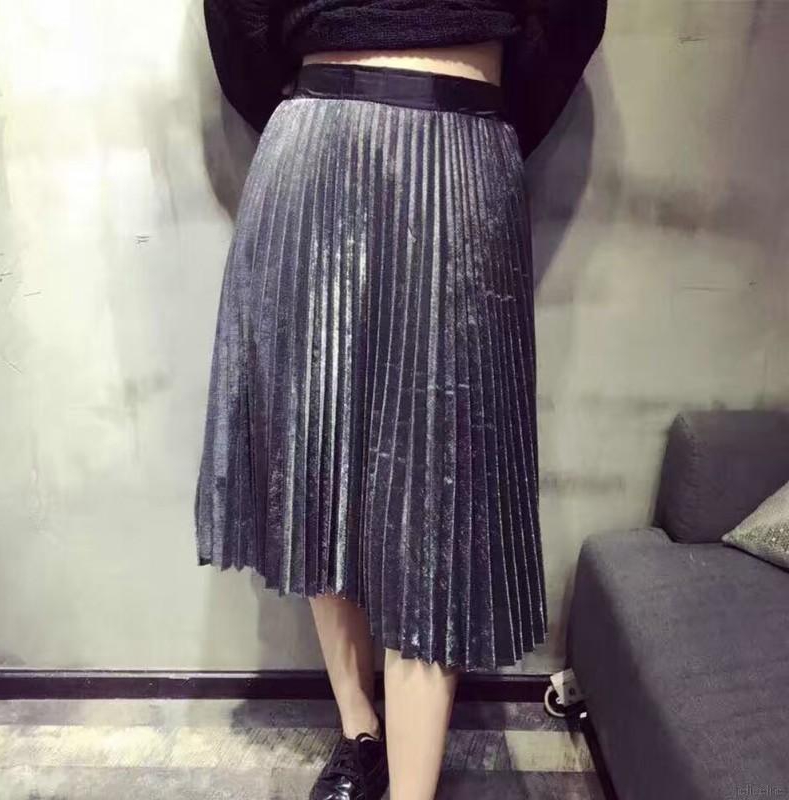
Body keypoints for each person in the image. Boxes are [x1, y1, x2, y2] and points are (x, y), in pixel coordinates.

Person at [194, 2, 607, 799]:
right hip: (314, 144)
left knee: (438, 489)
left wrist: (476, 113)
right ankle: (361, 734)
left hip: (461, 141)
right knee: (316, 458)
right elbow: (238, 24)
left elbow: (571, 18)